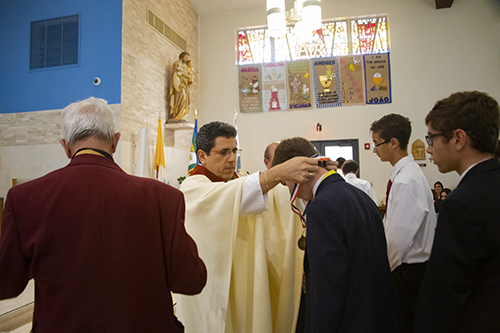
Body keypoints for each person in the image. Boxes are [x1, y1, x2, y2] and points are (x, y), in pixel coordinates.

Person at [0, 97, 207, 332]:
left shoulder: (24, 198)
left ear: (65, 145)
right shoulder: (163, 197)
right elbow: (191, 280)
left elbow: (5, 284)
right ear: (115, 141)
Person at [175, 121, 320, 333]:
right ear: (202, 156)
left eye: (235, 150)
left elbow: (268, 195)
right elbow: (231, 196)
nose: (232, 159)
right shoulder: (192, 188)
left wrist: (315, 177)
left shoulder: (242, 183)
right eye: (223, 152)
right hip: (216, 294)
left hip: (249, 285)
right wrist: (278, 173)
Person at [273, 137, 402, 333]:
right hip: (374, 316)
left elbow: (327, 289)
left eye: (285, 184)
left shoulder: (321, 207)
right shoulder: (359, 195)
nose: (292, 193)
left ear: (296, 174)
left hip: (348, 323)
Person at [415, 91, 500, 332]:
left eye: (431, 138)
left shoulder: (460, 203)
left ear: (458, 139)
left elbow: (446, 294)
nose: (428, 149)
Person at [370, 113, 436, 332]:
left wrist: (383, 271)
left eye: (377, 143)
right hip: (407, 268)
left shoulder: (407, 180)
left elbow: (398, 239)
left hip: (409, 271)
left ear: (394, 143)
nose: (375, 149)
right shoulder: (404, 175)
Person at [169, 51, 194, 121]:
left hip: (185, 85)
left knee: (185, 99)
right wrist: (179, 83)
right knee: (181, 97)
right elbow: (176, 74)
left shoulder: (185, 66)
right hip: (179, 85)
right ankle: (176, 114)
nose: (186, 59)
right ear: (182, 57)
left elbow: (188, 75)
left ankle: (180, 115)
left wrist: (190, 76)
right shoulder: (176, 64)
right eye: (186, 57)